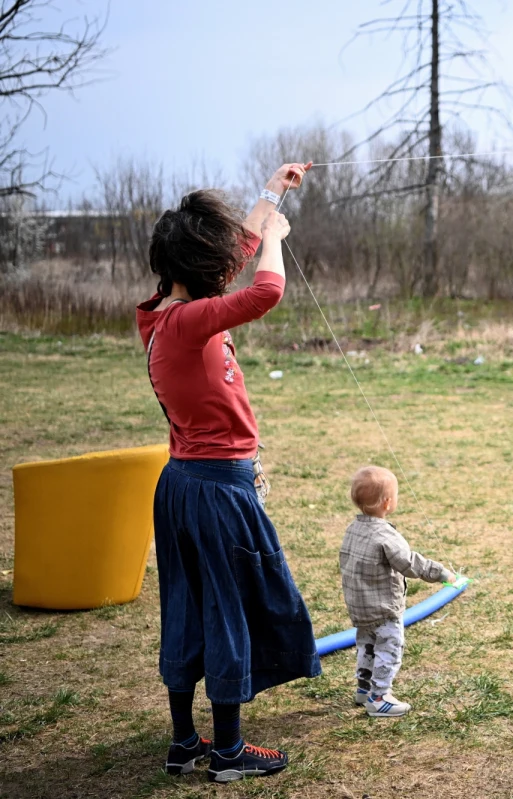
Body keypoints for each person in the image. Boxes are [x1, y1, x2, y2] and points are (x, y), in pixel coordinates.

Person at [135, 162, 319, 783]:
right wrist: (276, 239)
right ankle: (230, 754)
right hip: (217, 490)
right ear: (199, 269)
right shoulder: (190, 322)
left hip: (184, 485)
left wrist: (272, 191)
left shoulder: (163, 313)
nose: (228, 264)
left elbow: (226, 258)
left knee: (188, 609)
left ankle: (185, 743)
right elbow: (265, 291)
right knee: (230, 609)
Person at [341, 466, 456, 717]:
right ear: (388, 503)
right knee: (388, 650)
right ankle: (379, 697)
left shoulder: (352, 529)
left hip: (359, 606)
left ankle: (363, 688)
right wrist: (441, 573)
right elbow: (410, 563)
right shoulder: (386, 536)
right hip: (383, 608)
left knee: (366, 646)